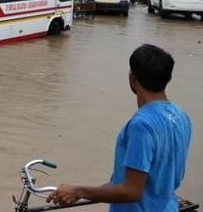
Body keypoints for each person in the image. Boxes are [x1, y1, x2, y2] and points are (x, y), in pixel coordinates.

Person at [47, 44, 192, 212]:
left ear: (132, 78)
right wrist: (79, 193)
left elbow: (131, 191)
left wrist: (78, 190)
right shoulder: (181, 117)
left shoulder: (142, 126)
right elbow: (152, 177)